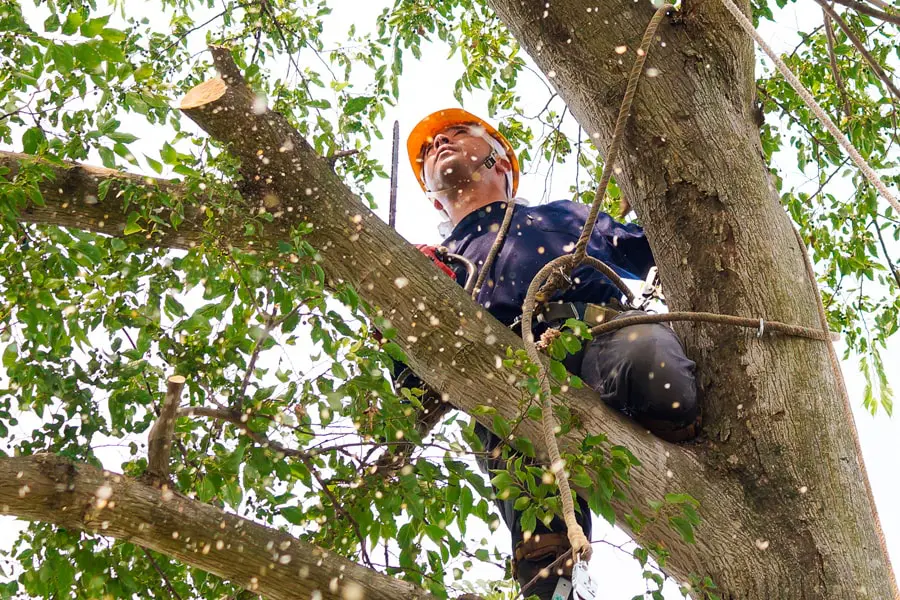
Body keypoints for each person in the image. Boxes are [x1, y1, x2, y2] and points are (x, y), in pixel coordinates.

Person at [404, 108, 700, 599]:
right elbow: (415, 388)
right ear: (432, 195)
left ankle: (672, 433)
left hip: (596, 341)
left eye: (455, 135)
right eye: (430, 147)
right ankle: (556, 584)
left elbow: (656, 246)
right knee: (540, 548)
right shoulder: (437, 267)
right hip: (511, 387)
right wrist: (403, 316)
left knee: (652, 364)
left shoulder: (561, 217)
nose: (439, 143)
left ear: (499, 161)